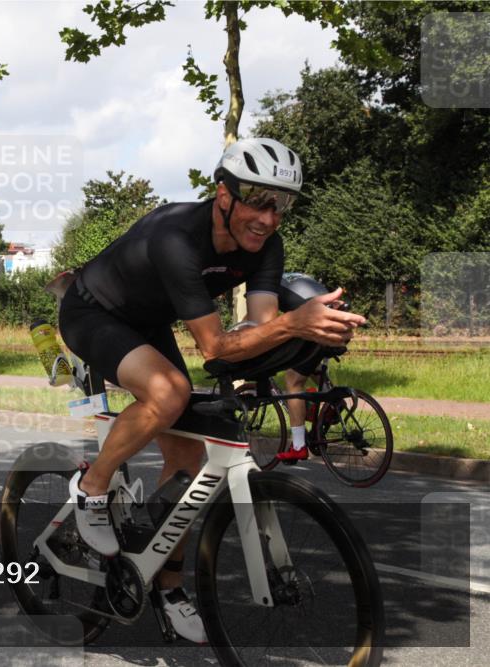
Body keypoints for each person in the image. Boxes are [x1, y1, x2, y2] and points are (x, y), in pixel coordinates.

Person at [58, 138, 366, 643]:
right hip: (94, 312)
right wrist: (293, 325)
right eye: (258, 200)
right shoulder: (177, 237)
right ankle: (92, 487)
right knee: (170, 393)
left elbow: (257, 331)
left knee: (188, 459)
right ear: (223, 195)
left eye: (282, 205)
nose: (269, 218)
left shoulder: (267, 246)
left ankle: (170, 588)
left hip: (149, 323)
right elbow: (217, 346)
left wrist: (309, 340)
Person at [275, 272, 346, 462]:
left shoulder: (268, 286)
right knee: (304, 364)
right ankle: (333, 400)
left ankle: (298, 445)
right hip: (337, 323)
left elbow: (257, 324)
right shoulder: (292, 277)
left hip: (319, 327)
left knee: (292, 380)